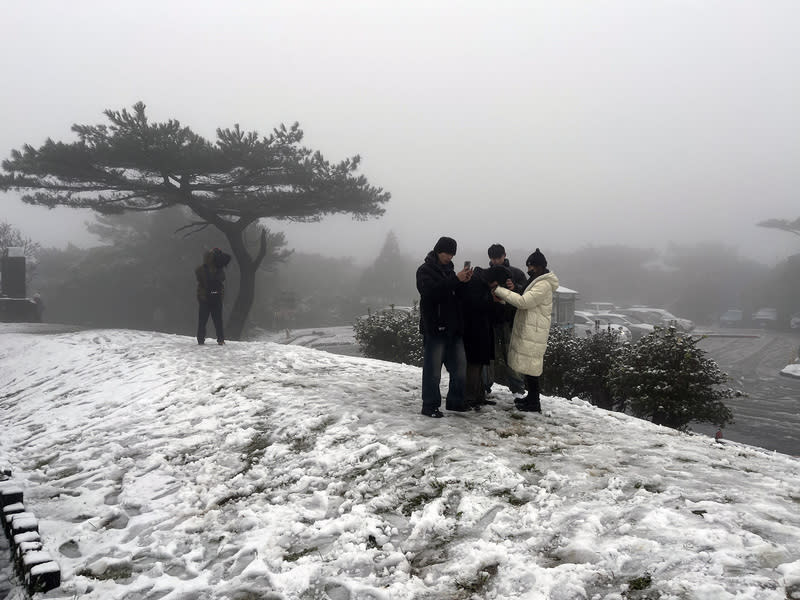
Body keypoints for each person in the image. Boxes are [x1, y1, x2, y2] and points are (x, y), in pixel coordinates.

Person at [492, 248, 559, 412]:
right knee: (530, 366)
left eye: (531, 267)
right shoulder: (537, 281)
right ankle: (531, 398)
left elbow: (523, 301)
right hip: (531, 328)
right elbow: (523, 295)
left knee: (533, 366)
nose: (529, 270)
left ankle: (534, 402)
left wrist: (499, 290)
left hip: (534, 330)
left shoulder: (543, 284)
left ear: (540, 266)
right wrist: (513, 289)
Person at [416, 236, 473, 417]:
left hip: (453, 328)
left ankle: (456, 401)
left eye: (452, 254)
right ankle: (430, 406)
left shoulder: (451, 272)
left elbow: (456, 296)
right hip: (434, 328)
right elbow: (431, 293)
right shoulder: (424, 270)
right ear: (438, 251)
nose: (449, 257)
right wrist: (456, 280)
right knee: (433, 371)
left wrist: (464, 282)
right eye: (446, 253)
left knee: (460, 367)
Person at [484, 244, 529, 402]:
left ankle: (517, 389)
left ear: (504, 255)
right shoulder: (486, 274)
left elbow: (526, 295)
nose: (496, 261)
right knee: (488, 356)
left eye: (498, 257)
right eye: (493, 258)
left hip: (510, 321)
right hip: (491, 320)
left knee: (513, 355)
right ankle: (485, 386)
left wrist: (515, 287)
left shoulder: (516, 273)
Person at [460, 265, 508, 410]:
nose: (496, 287)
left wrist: (497, 303)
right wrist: (491, 300)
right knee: (473, 365)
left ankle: (479, 396)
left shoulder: (482, 283)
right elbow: (472, 305)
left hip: (483, 330)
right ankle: (469, 398)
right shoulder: (474, 283)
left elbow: (492, 312)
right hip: (472, 331)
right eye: (497, 284)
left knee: (479, 364)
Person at [195, 247, 232, 345]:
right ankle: (219, 339)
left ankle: (202, 339)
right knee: (217, 320)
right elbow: (222, 279)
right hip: (213, 297)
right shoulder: (218, 269)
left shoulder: (202, 269)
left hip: (207, 297)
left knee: (204, 320)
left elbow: (199, 278)